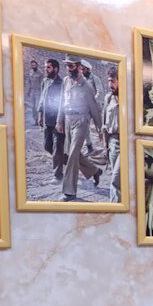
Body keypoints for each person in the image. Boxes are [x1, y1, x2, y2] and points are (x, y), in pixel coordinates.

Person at [56, 55, 103, 201]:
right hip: (68, 120)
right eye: (67, 66)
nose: (68, 69)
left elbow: (94, 108)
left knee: (72, 155)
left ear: (78, 66)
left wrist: (100, 128)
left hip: (81, 122)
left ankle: (69, 192)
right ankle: (94, 170)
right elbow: (61, 102)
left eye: (71, 66)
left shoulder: (86, 86)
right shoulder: (65, 81)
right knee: (71, 153)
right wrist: (59, 121)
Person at [37, 58, 65, 183]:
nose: (45, 70)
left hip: (58, 121)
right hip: (47, 120)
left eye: (48, 67)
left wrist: (60, 121)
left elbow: (63, 104)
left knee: (57, 148)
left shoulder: (62, 83)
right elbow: (42, 99)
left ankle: (57, 175)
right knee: (47, 146)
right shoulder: (45, 81)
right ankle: (87, 167)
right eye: (45, 67)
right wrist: (40, 115)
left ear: (56, 69)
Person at [102, 65, 121, 202]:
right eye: (109, 81)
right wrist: (105, 143)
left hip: (127, 144)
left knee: (116, 179)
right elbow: (105, 123)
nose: (110, 85)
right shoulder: (108, 98)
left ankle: (115, 209)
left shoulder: (132, 99)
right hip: (113, 142)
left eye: (113, 81)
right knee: (118, 179)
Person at [25, 59, 42, 123]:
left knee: (38, 106)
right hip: (32, 91)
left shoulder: (40, 73)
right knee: (33, 106)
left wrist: (42, 93)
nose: (33, 66)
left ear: (37, 65)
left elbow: (42, 83)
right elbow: (29, 82)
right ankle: (35, 119)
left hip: (38, 91)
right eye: (32, 65)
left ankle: (40, 119)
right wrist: (28, 91)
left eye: (34, 65)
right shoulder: (30, 72)